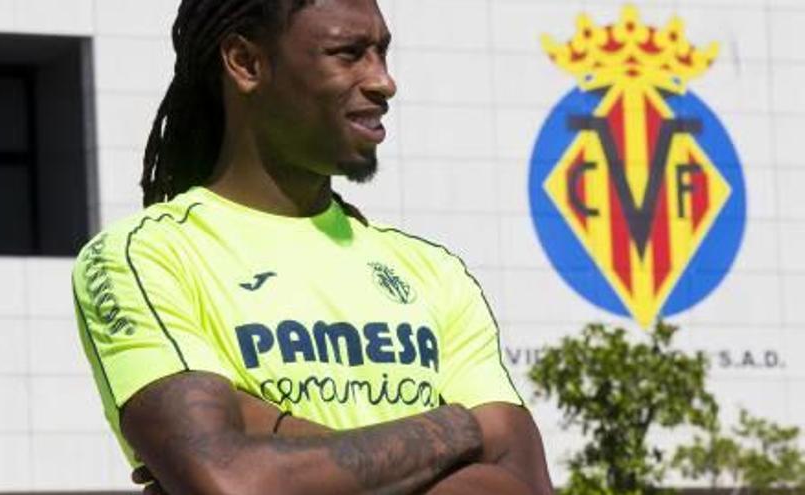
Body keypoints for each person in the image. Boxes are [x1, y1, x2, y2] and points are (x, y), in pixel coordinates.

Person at [72, 0, 554, 493]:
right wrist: (456, 430)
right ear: (246, 63)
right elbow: (231, 481)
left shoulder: (431, 270)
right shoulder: (146, 256)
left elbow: (526, 484)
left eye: (382, 53)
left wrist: (272, 439)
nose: (384, 81)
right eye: (348, 54)